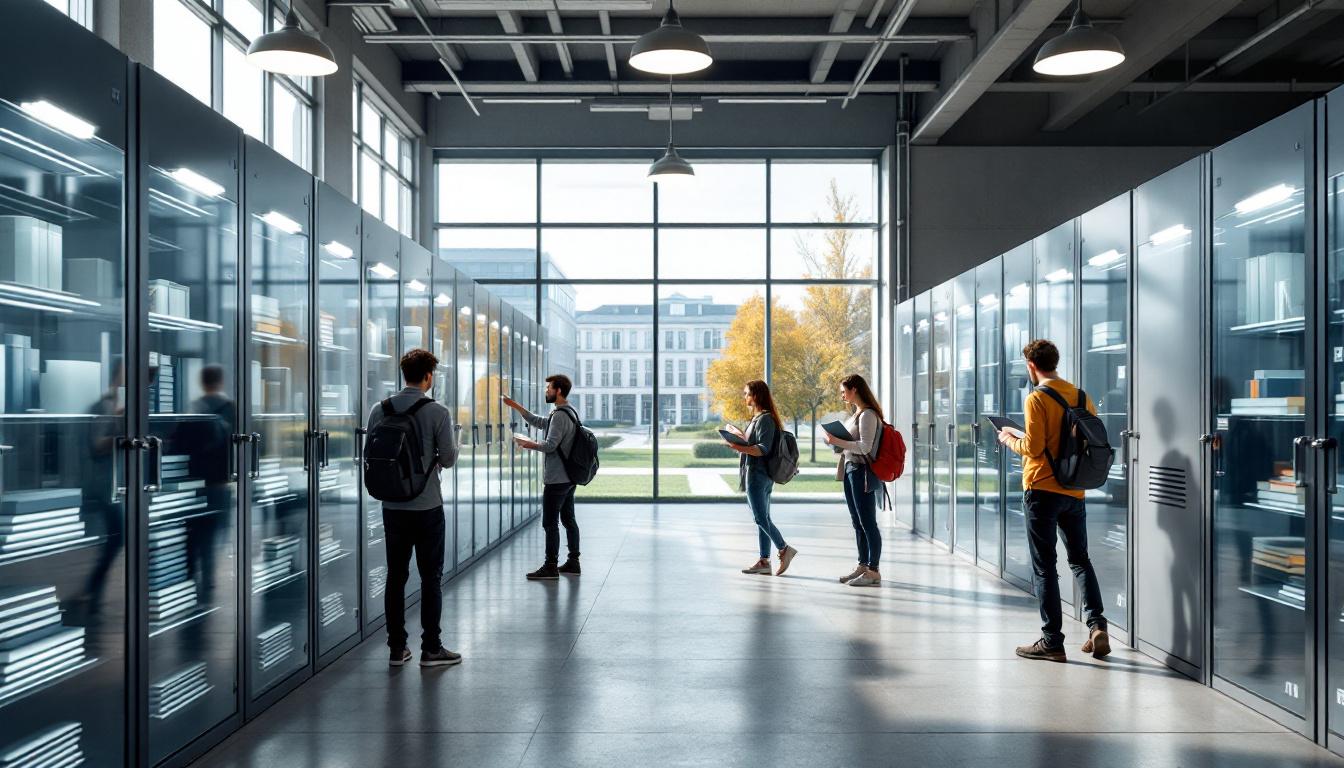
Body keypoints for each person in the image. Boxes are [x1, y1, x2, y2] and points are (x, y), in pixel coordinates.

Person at [998, 339, 1110, 662]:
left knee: (1045, 567)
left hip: (1042, 490)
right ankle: (1097, 625)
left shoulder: (1036, 398)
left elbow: (1033, 448)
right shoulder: (1081, 397)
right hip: (1074, 490)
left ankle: (1052, 642)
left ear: (1031, 365)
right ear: (1055, 362)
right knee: (1080, 559)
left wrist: (1009, 439)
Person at [364, 349, 461, 668]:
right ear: (429, 377)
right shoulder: (438, 412)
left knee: (396, 576)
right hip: (427, 505)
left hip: (392, 505)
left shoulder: (380, 409)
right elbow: (448, 459)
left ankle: (396, 648)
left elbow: (370, 454)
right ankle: (431, 649)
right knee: (431, 577)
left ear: (404, 373)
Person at [505, 375, 581, 581]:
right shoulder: (568, 411)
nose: (546, 391)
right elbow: (540, 422)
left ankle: (551, 566)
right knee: (568, 519)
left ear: (558, 391)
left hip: (557, 479)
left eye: (549, 388)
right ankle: (573, 562)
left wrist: (527, 444)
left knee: (550, 523)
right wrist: (516, 406)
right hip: (568, 478)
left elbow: (550, 445)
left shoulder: (560, 415)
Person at [725, 380, 798, 577]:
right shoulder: (758, 418)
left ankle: (784, 549)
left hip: (758, 475)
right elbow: (754, 442)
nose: (744, 397)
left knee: (760, 518)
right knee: (763, 519)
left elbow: (762, 449)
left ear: (756, 395)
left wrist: (737, 447)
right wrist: (739, 436)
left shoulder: (765, 419)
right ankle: (764, 561)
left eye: (747, 393)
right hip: (758, 474)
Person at [822, 374, 884, 588]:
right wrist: (833, 442)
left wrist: (838, 440)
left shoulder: (868, 415)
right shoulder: (856, 414)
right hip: (850, 469)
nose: (842, 395)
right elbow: (849, 445)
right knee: (857, 522)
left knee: (868, 523)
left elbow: (865, 447)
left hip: (862, 472)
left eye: (843, 391)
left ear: (854, 389)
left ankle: (873, 571)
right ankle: (862, 565)